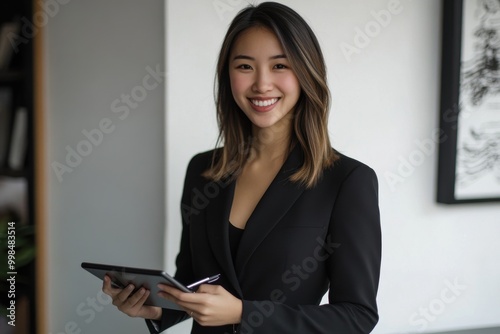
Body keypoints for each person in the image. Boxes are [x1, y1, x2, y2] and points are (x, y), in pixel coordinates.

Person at [102, 2, 381, 333]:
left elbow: (356, 317)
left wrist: (245, 313)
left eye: (280, 65)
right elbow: (194, 284)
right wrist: (154, 308)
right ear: (228, 75)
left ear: (306, 72)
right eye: (245, 66)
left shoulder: (346, 180)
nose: (262, 84)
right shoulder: (203, 170)